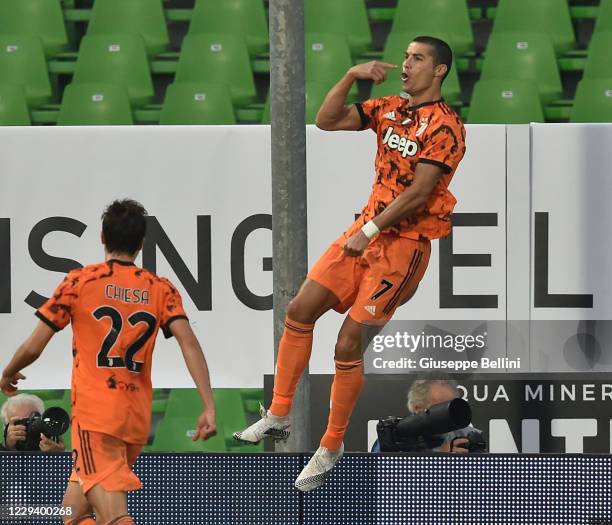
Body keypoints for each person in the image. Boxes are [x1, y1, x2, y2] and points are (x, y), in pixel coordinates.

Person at [234, 36, 467, 491]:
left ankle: (332, 443)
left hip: (402, 247)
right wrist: (349, 77)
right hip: (365, 231)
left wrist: (370, 231)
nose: (406, 65)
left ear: (439, 71)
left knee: (347, 345)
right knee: (299, 310)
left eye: (418, 59)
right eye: (405, 57)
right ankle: (279, 414)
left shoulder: (447, 125)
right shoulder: (390, 108)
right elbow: (325, 120)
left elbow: (419, 193)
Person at [0, 199, 217, 525]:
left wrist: (9, 372)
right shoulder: (161, 289)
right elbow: (189, 342)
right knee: (72, 516)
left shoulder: (79, 282)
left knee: (114, 516)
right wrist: (208, 404)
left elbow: (33, 346)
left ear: (102, 236)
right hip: (134, 419)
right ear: (142, 244)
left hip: (95, 417)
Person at [371, 378, 474, 453]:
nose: (450, 415)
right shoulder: (395, 436)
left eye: (453, 406)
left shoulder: (465, 434)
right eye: (442, 407)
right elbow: (381, 475)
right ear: (418, 408)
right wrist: (440, 457)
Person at [1, 393, 66, 452]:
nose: (29, 426)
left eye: (34, 419)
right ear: (6, 430)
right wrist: (7, 448)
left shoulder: (54, 447)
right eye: (20, 422)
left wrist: (59, 457)